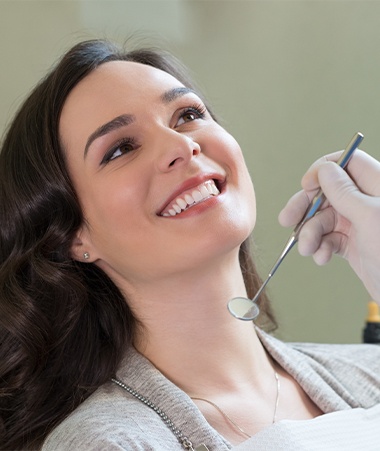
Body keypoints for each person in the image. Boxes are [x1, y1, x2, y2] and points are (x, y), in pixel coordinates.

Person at [0, 39, 379, 451]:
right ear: (75, 237)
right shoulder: (107, 442)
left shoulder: (370, 374)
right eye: (121, 148)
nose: (182, 145)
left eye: (188, 115)